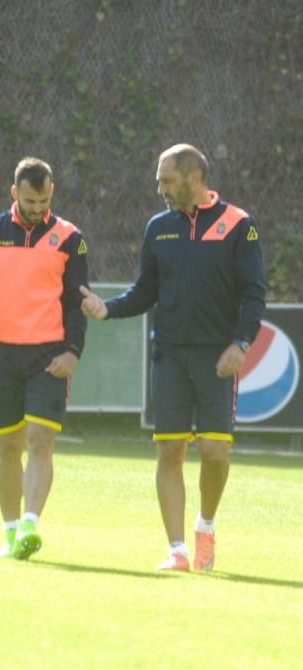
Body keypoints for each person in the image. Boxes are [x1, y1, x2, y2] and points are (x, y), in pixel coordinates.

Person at [80, 143, 266, 572]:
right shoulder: (158, 228)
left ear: (194, 178)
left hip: (217, 358)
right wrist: (107, 308)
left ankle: (206, 523)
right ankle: (178, 550)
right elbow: (145, 291)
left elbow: (254, 293)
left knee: (215, 452)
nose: (158, 187)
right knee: (171, 453)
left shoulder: (240, 226)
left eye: (166, 180)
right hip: (169, 356)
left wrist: (240, 344)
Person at [0, 157, 88, 560]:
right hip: (5, 354)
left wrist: (72, 352)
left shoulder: (69, 238)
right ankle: (10, 533)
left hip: (50, 354)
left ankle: (30, 523)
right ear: (15, 194)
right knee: (7, 446)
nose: (37, 208)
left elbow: (77, 301)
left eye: (44, 200)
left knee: (39, 440)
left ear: (52, 193)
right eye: (30, 201)